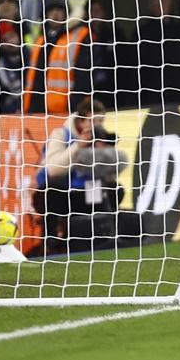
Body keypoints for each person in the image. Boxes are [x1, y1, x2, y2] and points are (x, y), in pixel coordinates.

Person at [31, 98, 129, 256]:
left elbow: (110, 175)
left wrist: (104, 154)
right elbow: (54, 170)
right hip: (60, 193)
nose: (97, 125)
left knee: (114, 189)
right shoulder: (61, 134)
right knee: (51, 193)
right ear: (81, 121)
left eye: (101, 120)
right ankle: (51, 244)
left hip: (86, 192)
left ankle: (106, 236)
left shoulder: (99, 138)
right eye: (93, 121)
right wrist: (78, 146)